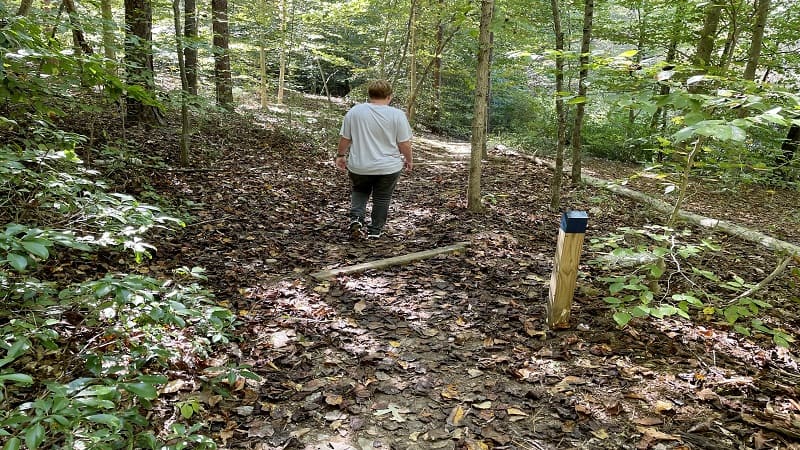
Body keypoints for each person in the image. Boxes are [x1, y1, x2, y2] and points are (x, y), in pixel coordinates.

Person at [334, 80, 413, 239]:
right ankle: (375, 230)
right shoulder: (397, 115)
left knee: (360, 190)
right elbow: (404, 143)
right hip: (388, 167)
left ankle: (356, 218)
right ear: (390, 96)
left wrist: (340, 155)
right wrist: (409, 159)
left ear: (369, 95)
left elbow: (345, 138)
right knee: (382, 197)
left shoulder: (355, 112)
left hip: (360, 165)